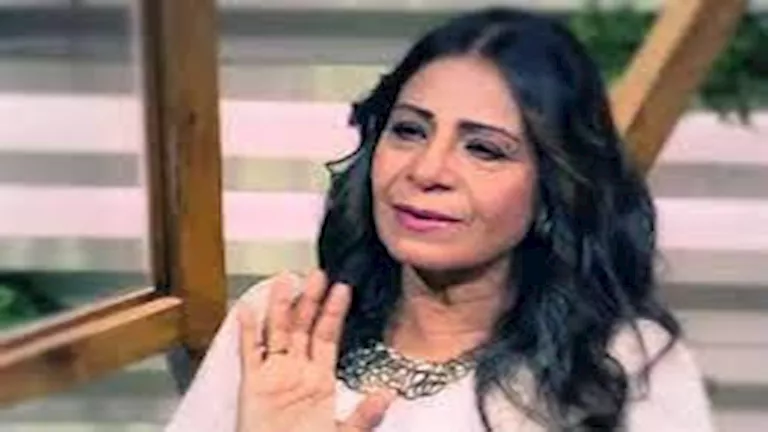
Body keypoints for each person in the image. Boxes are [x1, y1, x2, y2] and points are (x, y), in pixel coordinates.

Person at [165, 7, 713, 432]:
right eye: (409, 130)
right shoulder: (283, 325)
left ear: (555, 186)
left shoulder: (624, 363)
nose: (427, 170)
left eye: (484, 149)